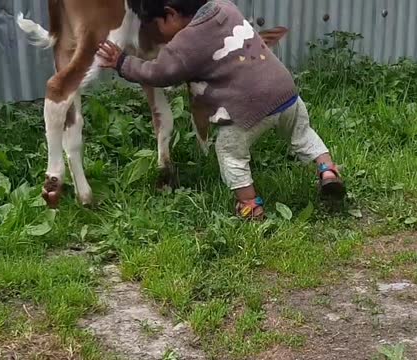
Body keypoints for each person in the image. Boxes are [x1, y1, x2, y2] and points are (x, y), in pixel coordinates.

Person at [97, 0, 345, 220]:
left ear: (170, 14)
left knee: (230, 152)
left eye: (156, 25)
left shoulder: (187, 41)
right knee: (302, 132)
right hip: (286, 91)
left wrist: (122, 63)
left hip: (248, 107)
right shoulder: (225, 6)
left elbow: (159, 73)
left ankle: (249, 205)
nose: (157, 34)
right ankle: (327, 170)